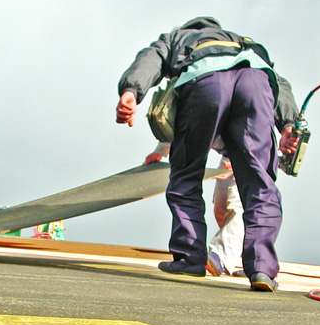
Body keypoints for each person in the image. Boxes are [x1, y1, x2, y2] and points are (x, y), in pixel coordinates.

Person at [116, 16, 299, 292]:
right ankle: (262, 268)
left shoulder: (178, 37)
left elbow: (151, 58)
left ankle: (190, 257)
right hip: (256, 81)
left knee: (187, 173)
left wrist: (132, 90)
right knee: (260, 183)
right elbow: (278, 82)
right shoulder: (239, 41)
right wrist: (287, 123)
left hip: (206, 81)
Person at [144, 140, 245, 277]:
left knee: (237, 208)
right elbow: (185, 130)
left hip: (249, 155)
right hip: (230, 157)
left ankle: (220, 257)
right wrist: (160, 151)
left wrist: (241, 154)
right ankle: (251, 256)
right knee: (221, 210)